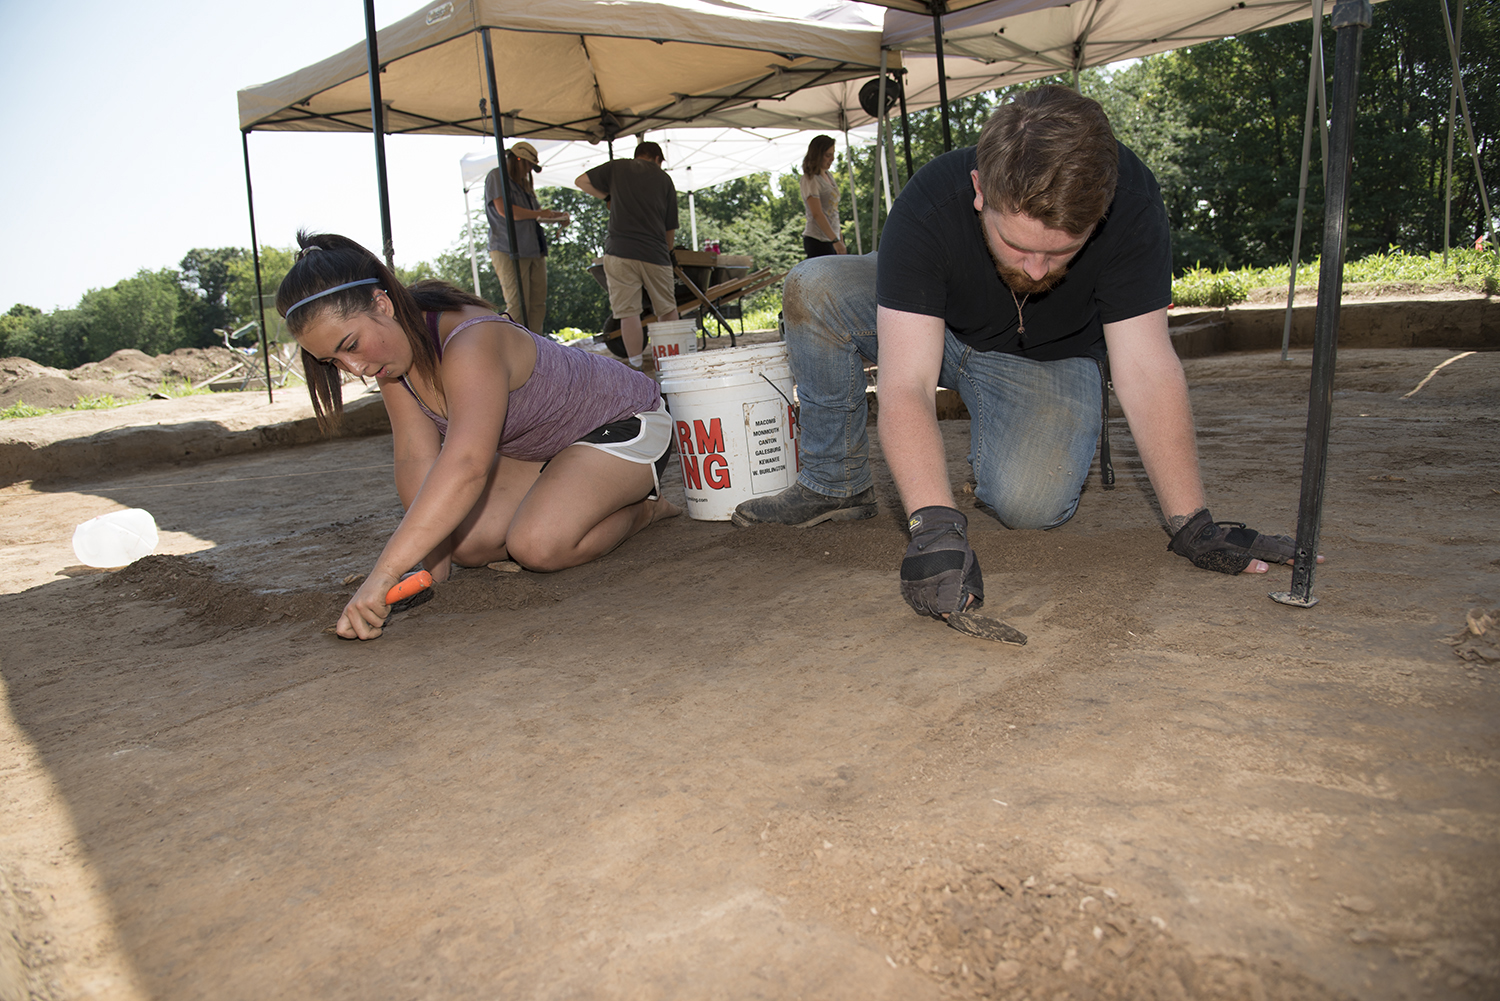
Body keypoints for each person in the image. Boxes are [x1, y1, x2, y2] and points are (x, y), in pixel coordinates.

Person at [732, 86, 1308, 622]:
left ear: (1101, 212)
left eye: (1061, 252)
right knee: (817, 285)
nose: (1035, 271)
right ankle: (836, 483)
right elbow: (906, 383)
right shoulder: (931, 201)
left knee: (1031, 506)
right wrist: (934, 527)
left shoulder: (1131, 202)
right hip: (935, 325)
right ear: (980, 190)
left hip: (1047, 357)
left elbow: (1146, 367)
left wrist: (1192, 522)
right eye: (1016, 244)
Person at [278, 231, 679, 640]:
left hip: (625, 423)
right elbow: (416, 458)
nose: (354, 368)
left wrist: (384, 573)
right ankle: (570, 492)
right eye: (333, 361)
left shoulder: (469, 341)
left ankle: (645, 510)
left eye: (351, 345)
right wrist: (431, 570)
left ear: (382, 304)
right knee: (466, 545)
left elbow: (467, 465)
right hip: (548, 450)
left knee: (537, 546)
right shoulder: (391, 362)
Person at [575, 141, 680, 368]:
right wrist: (669, 251)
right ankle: (674, 364)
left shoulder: (617, 168)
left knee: (628, 313)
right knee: (667, 309)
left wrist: (608, 197)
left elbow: (581, 181)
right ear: (657, 158)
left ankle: (635, 365)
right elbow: (670, 226)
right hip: (654, 252)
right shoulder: (664, 179)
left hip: (619, 251)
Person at [485, 141, 570, 334]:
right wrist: (540, 213)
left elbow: (538, 214)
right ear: (517, 159)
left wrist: (559, 216)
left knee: (537, 304)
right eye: (528, 164)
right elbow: (505, 210)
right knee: (517, 304)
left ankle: (536, 345)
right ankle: (514, 347)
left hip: (534, 247)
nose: (529, 170)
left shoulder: (524, 183)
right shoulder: (497, 176)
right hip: (508, 248)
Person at [799, 134, 846, 258]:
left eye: (833, 154)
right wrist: (835, 240)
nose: (832, 159)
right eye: (828, 155)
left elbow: (833, 211)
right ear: (817, 155)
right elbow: (817, 213)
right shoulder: (810, 179)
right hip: (818, 239)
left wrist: (839, 238)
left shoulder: (829, 176)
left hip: (833, 238)